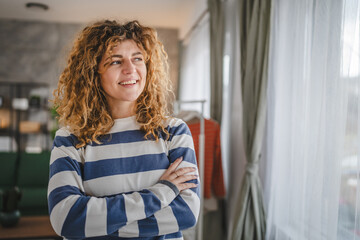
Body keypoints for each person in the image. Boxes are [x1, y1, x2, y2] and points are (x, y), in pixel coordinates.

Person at [48, 20, 200, 240]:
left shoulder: (174, 132)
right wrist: (162, 192)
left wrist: (98, 225)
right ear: (93, 72)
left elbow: (185, 214)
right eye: (115, 61)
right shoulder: (70, 139)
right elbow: (66, 220)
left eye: (137, 58)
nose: (131, 70)